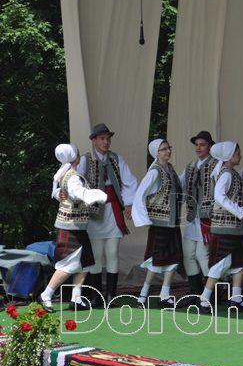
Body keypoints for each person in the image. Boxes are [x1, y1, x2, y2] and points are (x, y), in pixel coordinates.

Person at [61, 124, 138, 306]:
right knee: (96, 254)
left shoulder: (117, 159)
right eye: (102, 138)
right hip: (94, 213)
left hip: (113, 210)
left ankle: (111, 295)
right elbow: (75, 181)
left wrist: (128, 203)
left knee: (112, 252)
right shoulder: (85, 160)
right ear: (94, 141)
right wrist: (65, 194)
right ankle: (96, 296)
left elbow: (130, 181)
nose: (106, 142)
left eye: (108, 138)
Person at [39, 144, 107, 312]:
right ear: (75, 157)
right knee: (67, 264)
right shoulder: (73, 177)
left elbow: (60, 192)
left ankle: (76, 298)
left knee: (85, 262)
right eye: (78, 153)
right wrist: (97, 194)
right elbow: (76, 193)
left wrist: (59, 194)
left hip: (77, 226)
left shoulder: (66, 173)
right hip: (71, 226)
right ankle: (46, 294)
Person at [197, 142, 243, 311]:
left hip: (235, 228)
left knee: (240, 261)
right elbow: (219, 196)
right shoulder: (226, 174)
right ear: (229, 156)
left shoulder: (231, 172)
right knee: (221, 262)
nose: (240, 156)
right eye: (237, 154)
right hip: (225, 227)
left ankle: (236, 298)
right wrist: (241, 212)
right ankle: (204, 299)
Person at [132, 139, 183, 308]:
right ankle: (143, 295)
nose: (168, 151)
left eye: (169, 148)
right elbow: (140, 194)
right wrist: (144, 218)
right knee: (156, 259)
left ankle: (165, 294)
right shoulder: (154, 172)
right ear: (156, 153)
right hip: (160, 223)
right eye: (164, 149)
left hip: (172, 222)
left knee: (174, 257)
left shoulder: (170, 169)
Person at [179, 131, 216, 300]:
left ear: (209, 146)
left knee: (202, 255)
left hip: (207, 217)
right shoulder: (190, 166)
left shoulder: (216, 165)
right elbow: (180, 185)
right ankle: (196, 292)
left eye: (202, 144)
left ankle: (210, 294)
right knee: (188, 255)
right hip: (193, 216)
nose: (199, 148)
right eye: (196, 145)